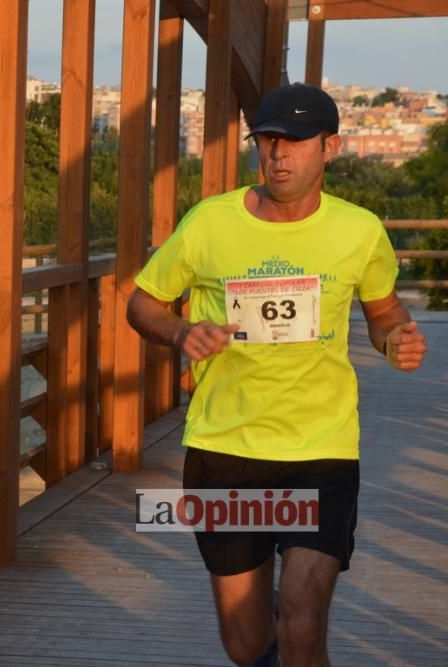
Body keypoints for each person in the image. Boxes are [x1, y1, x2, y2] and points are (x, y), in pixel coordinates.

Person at [126, 83, 428, 666]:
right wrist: (181, 333)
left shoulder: (359, 230)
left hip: (321, 448)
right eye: (267, 140)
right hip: (225, 449)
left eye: (293, 141)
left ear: (330, 146)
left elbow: (384, 312)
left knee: (302, 621)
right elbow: (143, 304)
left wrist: (396, 340)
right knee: (245, 643)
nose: (278, 154)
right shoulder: (209, 223)